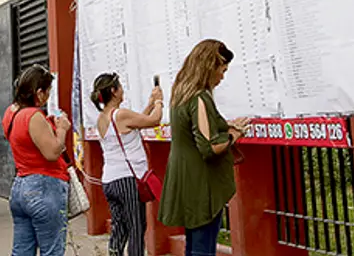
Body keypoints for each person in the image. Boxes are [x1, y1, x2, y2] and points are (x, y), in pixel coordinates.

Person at [159, 40, 250, 256]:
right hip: (200, 182)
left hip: (184, 176)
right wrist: (234, 134)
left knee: (193, 245)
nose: (222, 77)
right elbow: (210, 146)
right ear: (210, 66)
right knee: (203, 248)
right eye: (222, 70)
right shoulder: (200, 97)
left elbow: (196, 129)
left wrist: (225, 126)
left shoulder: (180, 94)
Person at [2, 65, 71, 256]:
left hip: (21, 186)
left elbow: (26, 141)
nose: (48, 97)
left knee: (22, 250)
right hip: (44, 186)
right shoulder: (33, 116)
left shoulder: (11, 113)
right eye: (47, 91)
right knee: (52, 250)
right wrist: (62, 129)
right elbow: (52, 153)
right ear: (39, 93)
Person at [92, 73, 163, 256]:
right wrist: (159, 102)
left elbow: (136, 123)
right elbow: (154, 120)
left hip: (110, 180)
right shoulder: (120, 114)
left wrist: (149, 103)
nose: (123, 90)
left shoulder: (102, 118)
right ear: (114, 91)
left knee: (119, 227)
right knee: (136, 228)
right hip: (127, 179)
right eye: (120, 87)